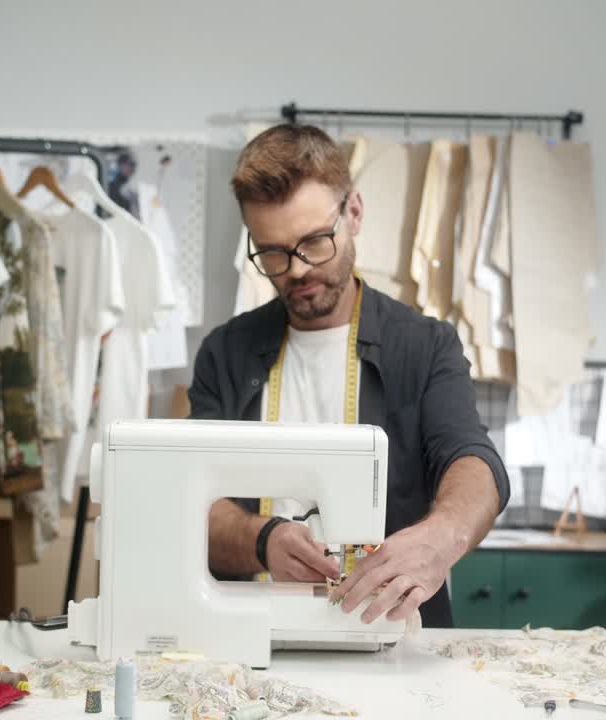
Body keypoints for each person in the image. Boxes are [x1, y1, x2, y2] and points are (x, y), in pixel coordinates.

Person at [189, 124, 508, 628]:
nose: (295, 271)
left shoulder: (425, 346)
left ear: (353, 212)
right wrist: (263, 539)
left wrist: (442, 534)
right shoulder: (225, 353)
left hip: (393, 636)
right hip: (251, 638)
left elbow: (472, 458)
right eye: (272, 252)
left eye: (314, 242)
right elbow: (192, 501)